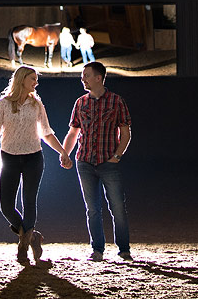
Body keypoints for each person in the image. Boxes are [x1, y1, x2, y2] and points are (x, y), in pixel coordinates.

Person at [0, 65, 66, 264]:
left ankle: (23, 247)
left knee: (29, 201)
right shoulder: (3, 104)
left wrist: (62, 151)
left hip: (33, 158)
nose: (36, 83)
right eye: (33, 79)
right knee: (6, 206)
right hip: (9, 157)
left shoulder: (36, 104)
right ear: (21, 80)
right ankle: (31, 236)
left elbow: (46, 133)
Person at [59, 60, 131, 261]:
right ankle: (97, 249)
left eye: (86, 75)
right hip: (85, 161)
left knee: (117, 207)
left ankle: (124, 249)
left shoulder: (116, 102)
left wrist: (117, 156)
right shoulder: (80, 103)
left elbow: (125, 133)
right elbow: (73, 132)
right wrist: (65, 153)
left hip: (108, 162)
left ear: (98, 78)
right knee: (93, 209)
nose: (83, 79)